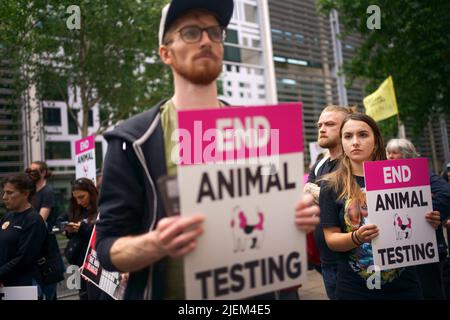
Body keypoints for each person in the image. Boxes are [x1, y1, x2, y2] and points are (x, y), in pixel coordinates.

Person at [95, 0, 320, 300]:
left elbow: (268, 221)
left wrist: (294, 218)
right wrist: (157, 243)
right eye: (190, 32)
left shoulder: (258, 131)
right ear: (166, 53)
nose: (206, 40)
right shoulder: (133, 140)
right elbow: (108, 247)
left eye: (215, 32)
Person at [320, 113, 441, 299]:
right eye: (348, 136)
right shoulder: (330, 185)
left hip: (404, 287)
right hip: (355, 289)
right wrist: (356, 237)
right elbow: (331, 239)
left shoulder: (401, 176)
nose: (355, 142)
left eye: (363, 135)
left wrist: (428, 222)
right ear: (342, 142)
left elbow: (412, 225)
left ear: (376, 141)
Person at [386, 138, 450, 299]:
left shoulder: (421, 173)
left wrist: (424, 212)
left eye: (395, 153)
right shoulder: (385, 176)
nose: (390, 156)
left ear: (406, 155)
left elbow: (446, 193)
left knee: (431, 292)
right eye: (388, 152)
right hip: (401, 251)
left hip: (428, 249)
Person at [304, 105, 351, 300]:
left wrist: (318, 193)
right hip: (326, 260)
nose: (322, 129)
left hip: (352, 261)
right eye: (319, 125)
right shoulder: (319, 165)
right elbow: (307, 200)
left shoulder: (354, 163)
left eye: (330, 124)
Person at [0, 174, 47, 289]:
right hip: (5, 282)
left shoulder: (33, 220)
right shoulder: (8, 217)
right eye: (4, 192)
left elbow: (25, 258)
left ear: (25, 193)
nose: (4, 197)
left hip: (23, 285)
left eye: (10, 193)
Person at [61, 178, 103, 300]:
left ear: (91, 192)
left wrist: (81, 228)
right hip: (76, 259)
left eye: (82, 197)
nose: (79, 201)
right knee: (82, 293)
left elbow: (100, 232)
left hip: (94, 260)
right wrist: (67, 229)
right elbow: (60, 220)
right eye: (76, 198)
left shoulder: (101, 208)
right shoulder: (75, 208)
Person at [26, 161, 62, 300]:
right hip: (35, 251)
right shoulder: (32, 193)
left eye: (35, 171)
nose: (31, 173)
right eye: (30, 170)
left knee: (48, 293)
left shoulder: (47, 192)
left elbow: (40, 221)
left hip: (46, 252)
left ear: (43, 172)